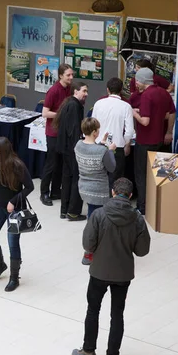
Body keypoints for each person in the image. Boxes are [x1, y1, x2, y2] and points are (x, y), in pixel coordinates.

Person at [72, 178, 150, 355]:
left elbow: (88, 245)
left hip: (98, 271)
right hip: (123, 274)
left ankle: (88, 352)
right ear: (130, 196)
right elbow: (142, 250)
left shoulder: (99, 214)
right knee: (117, 314)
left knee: (93, 310)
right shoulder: (138, 219)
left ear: (113, 192)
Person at [0, 137, 34, 292]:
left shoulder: (17, 165)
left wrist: (13, 201)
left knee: (13, 243)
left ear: (2, 150)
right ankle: (0, 265)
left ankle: (14, 277)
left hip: (15, 210)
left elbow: (29, 187)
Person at [132, 68, 176, 215]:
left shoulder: (146, 96)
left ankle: (142, 207)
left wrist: (133, 112)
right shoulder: (164, 93)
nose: (136, 83)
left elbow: (145, 121)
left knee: (141, 175)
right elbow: (171, 113)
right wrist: (169, 132)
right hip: (159, 140)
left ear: (144, 81)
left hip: (144, 141)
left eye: (138, 80)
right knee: (158, 174)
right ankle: (158, 205)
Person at [75, 117, 117, 265]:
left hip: (84, 188)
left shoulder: (78, 145)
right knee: (96, 221)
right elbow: (111, 167)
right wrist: (110, 151)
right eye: (98, 130)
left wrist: (102, 145)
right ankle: (90, 252)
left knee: (92, 217)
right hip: (99, 191)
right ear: (94, 132)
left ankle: (93, 248)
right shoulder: (102, 151)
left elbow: (91, 153)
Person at [55, 81, 88, 221]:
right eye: (84, 91)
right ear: (76, 91)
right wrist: (79, 147)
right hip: (72, 149)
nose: (86, 94)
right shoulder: (75, 106)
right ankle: (73, 211)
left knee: (67, 178)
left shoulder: (69, 104)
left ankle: (64, 210)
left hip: (65, 148)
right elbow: (74, 130)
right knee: (76, 179)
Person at [40, 64, 73, 206]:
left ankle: (55, 190)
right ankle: (44, 192)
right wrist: (62, 115)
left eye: (72, 75)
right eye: (68, 75)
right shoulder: (53, 91)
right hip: (53, 133)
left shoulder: (70, 90)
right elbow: (45, 113)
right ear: (60, 76)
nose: (71, 77)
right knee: (51, 163)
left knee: (60, 163)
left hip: (64, 132)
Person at [91, 77, 134, 187]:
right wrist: (125, 143)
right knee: (116, 177)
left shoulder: (98, 103)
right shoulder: (126, 106)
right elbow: (129, 131)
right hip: (117, 147)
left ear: (107, 90)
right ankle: (112, 201)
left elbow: (92, 125)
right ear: (121, 90)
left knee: (99, 175)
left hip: (99, 144)